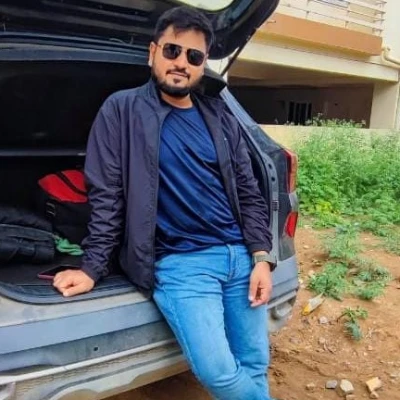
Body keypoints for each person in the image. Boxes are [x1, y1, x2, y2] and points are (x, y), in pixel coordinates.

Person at [53, 6, 276, 400]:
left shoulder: (219, 116)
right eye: (173, 50)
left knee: (255, 361)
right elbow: (107, 196)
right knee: (219, 372)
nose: (181, 63)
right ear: (152, 52)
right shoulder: (122, 110)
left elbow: (248, 191)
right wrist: (92, 267)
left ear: (203, 64)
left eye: (194, 56)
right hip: (183, 265)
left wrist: (261, 256)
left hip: (240, 258)